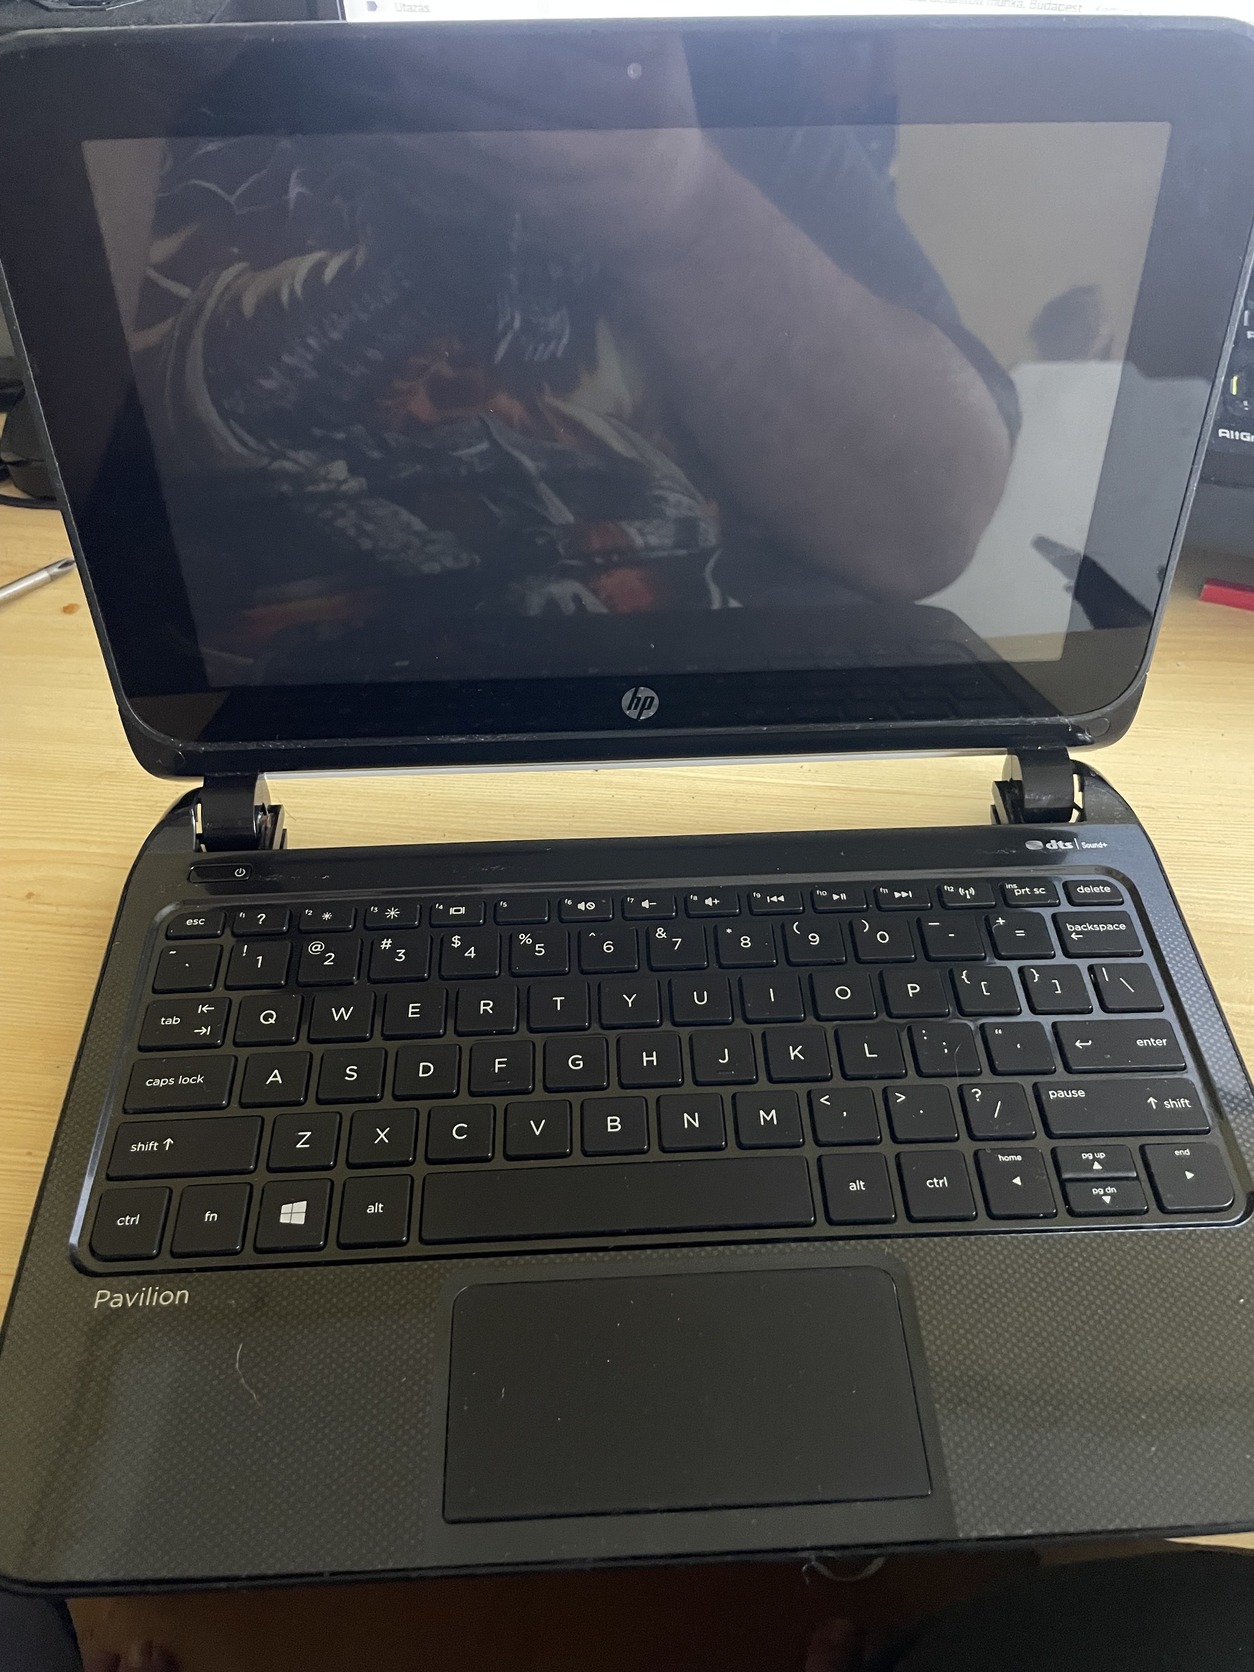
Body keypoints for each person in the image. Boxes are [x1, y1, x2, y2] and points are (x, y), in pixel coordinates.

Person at [108, 34, 1015, 681]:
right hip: (318, 736)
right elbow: (101, 521)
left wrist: (681, 203)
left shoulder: (714, 62)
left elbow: (929, 526)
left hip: (746, 729)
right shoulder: (179, 62)